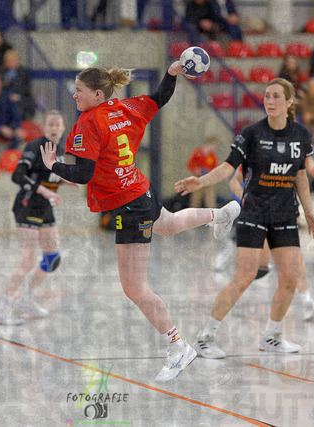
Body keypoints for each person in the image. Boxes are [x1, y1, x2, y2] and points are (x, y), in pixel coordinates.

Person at [40, 63, 241, 382]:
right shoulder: (128, 107)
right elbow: (162, 96)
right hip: (139, 191)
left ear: (97, 94)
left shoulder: (89, 122)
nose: (74, 95)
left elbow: (83, 174)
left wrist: (53, 165)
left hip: (129, 205)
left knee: (134, 287)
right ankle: (221, 214)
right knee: (169, 224)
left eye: (79, 90)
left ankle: (178, 346)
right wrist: (172, 72)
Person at [175, 78, 314, 359]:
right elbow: (227, 168)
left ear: (289, 102)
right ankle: (205, 337)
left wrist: (310, 211)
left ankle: (271, 336)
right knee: (244, 277)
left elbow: (301, 176)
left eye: (276, 96)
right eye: (267, 96)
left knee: (290, 279)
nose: (270, 101)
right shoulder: (252, 133)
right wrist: (201, 181)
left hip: (285, 214)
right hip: (254, 212)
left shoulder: (300, 135)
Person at [0, 110, 76, 325]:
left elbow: (50, 176)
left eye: (57, 124)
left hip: (44, 206)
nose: (54, 128)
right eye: (50, 124)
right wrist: (43, 190)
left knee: (52, 258)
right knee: (28, 260)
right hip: (27, 204)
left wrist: (65, 181)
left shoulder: (61, 149)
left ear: (63, 127)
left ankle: (26, 299)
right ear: (44, 127)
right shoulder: (34, 146)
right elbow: (17, 175)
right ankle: (2, 310)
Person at [228, 164, 314, 322]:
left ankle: (307, 302)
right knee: (255, 268)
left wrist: (305, 210)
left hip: (284, 213)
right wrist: (249, 201)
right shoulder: (253, 153)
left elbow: (300, 178)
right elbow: (234, 181)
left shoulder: (292, 153)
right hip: (257, 216)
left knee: (296, 259)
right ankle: (231, 302)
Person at [186, 135, 219, 208]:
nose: (214, 149)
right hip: (197, 179)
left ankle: (212, 214)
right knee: (195, 200)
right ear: (208, 143)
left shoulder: (213, 156)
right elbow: (190, 164)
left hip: (208, 181)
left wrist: (209, 172)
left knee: (210, 201)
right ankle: (193, 214)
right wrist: (196, 170)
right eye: (213, 146)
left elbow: (215, 168)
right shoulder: (197, 153)